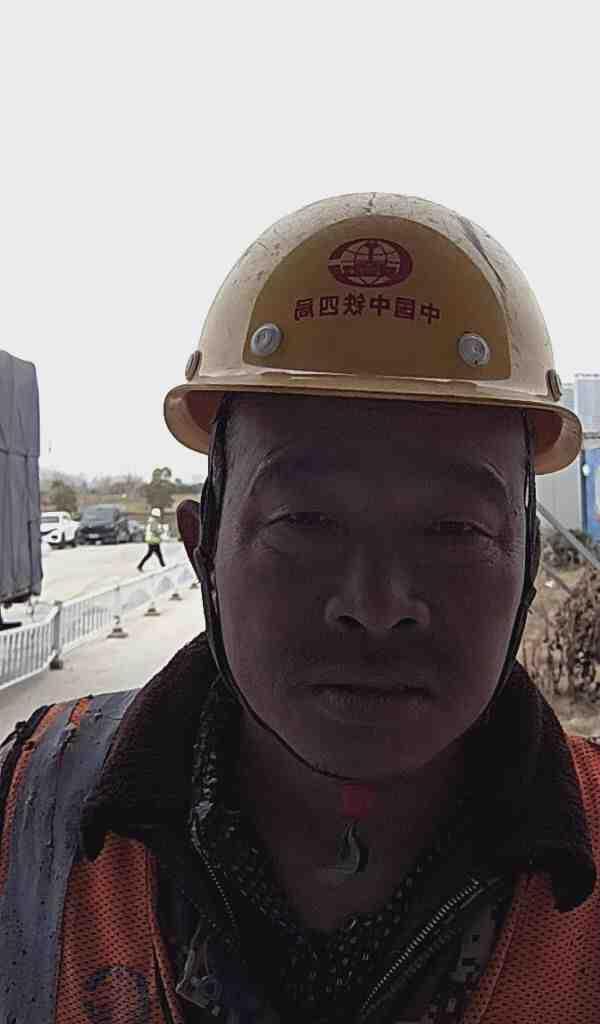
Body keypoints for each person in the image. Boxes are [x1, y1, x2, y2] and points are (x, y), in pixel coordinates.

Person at [1, 193, 598, 1024]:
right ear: (203, 549)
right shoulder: (27, 816)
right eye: (304, 522)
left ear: (527, 562)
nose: (377, 606)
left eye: (455, 529)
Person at [137, 506, 166, 570]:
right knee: (157, 554)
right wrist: (161, 531)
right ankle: (163, 566)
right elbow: (154, 530)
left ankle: (140, 566)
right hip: (153, 541)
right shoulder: (154, 521)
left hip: (151, 540)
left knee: (152, 554)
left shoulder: (151, 520)